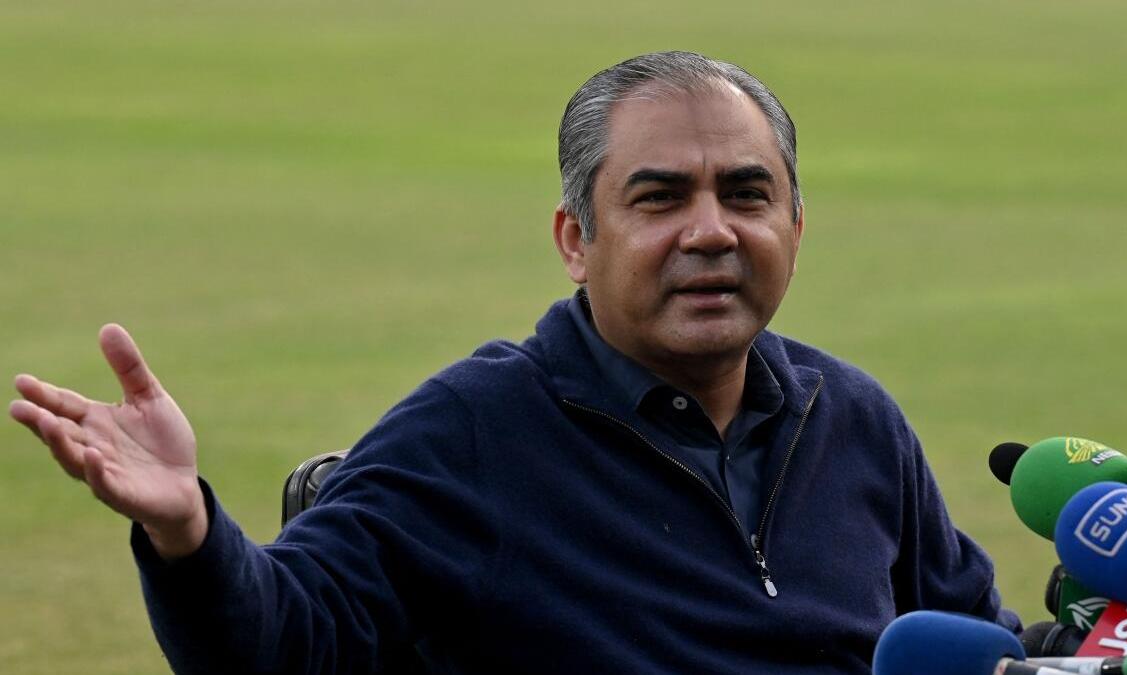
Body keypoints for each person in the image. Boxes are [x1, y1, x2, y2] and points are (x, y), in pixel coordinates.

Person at [9, 51, 1018, 674]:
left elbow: (978, 642)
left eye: (747, 195)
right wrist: (186, 532)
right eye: (660, 198)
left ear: (795, 226)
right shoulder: (474, 434)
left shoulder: (852, 417)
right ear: (577, 241)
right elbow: (285, 641)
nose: (711, 231)